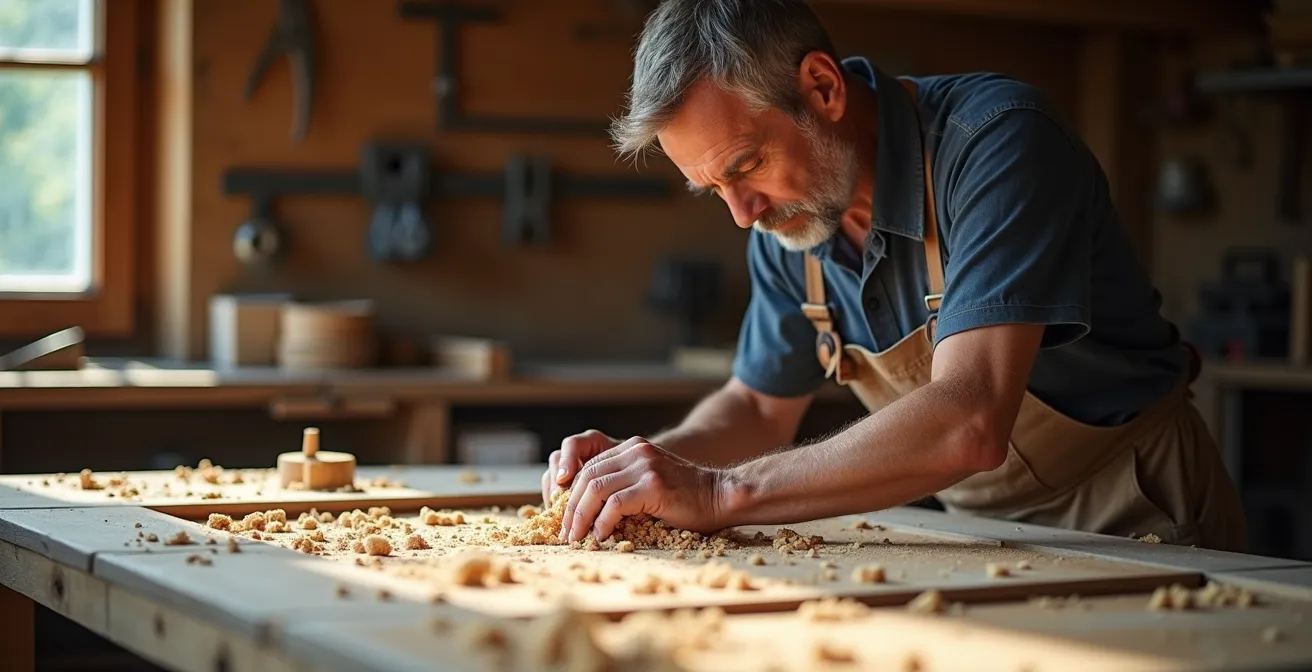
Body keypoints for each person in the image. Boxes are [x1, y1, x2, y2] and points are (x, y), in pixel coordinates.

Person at [542, 0, 1247, 552]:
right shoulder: (789, 222)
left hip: (1135, 507)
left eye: (744, 166)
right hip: (976, 528)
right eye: (712, 189)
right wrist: (643, 471)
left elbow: (968, 420)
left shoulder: (997, 144)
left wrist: (721, 493)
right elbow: (757, 409)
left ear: (821, 87)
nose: (740, 214)